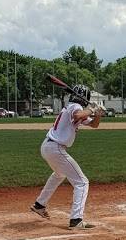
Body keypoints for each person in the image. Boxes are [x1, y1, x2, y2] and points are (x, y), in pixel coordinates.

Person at [29, 85, 103, 230]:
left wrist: (98, 114)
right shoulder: (74, 107)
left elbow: (94, 125)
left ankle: (39, 204)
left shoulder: (72, 107)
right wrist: (92, 109)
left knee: (59, 174)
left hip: (49, 147)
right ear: (85, 98)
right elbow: (77, 115)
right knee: (82, 182)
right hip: (55, 148)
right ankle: (76, 220)